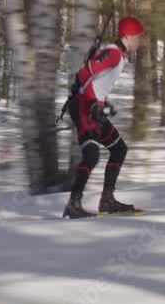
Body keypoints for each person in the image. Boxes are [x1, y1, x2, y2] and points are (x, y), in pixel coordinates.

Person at [62, 17, 146, 219]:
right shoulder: (113, 53)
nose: (139, 41)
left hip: (93, 109)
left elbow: (97, 81)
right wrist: (93, 102)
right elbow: (85, 74)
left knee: (119, 149)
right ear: (127, 36)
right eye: (137, 37)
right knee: (91, 155)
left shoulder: (119, 55)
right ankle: (74, 204)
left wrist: (104, 103)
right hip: (83, 108)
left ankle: (107, 200)